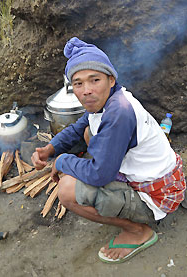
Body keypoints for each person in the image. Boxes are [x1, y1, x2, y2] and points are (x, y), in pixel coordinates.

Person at [31, 37, 186, 264]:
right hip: (157, 176)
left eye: (95, 80)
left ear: (111, 79)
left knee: (67, 190)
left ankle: (138, 232)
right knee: (87, 133)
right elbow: (79, 127)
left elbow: (99, 174)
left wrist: (62, 161)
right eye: (78, 83)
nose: (86, 91)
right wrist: (49, 149)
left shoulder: (119, 113)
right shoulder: (110, 100)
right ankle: (120, 196)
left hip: (157, 194)